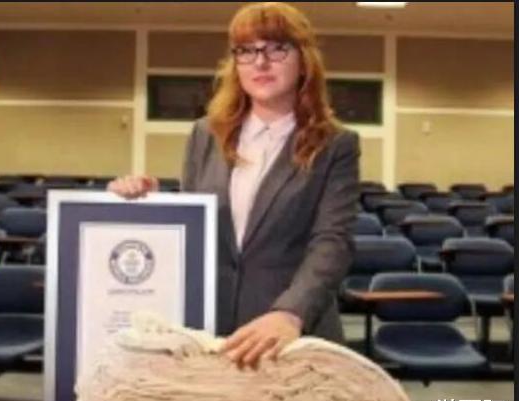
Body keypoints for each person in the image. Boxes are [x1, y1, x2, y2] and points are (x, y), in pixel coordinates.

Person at [107, 2, 359, 369]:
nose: (260, 62)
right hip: (210, 331)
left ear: (304, 60)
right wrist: (147, 204)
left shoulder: (335, 144)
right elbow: (196, 231)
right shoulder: (205, 134)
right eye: (246, 50)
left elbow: (332, 242)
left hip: (291, 335)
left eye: (277, 48)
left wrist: (290, 313)